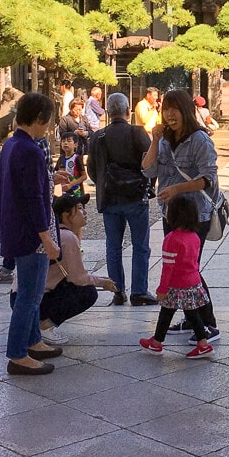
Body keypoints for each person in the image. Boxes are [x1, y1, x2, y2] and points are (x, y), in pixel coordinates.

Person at [142, 88, 221, 339]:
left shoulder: (200, 139)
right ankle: (192, 320)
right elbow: (147, 170)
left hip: (196, 214)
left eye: (175, 109)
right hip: (171, 214)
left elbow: (207, 179)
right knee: (179, 269)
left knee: (190, 269)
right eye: (166, 109)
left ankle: (208, 324)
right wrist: (154, 140)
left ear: (186, 111)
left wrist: (177, 188)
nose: (169, 114)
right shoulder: (164, 139)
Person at [0, 92, 63, 376]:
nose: (48, 127)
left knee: (30, 293)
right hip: (31, 234)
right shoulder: (32, 150)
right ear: (40, 119)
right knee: (30, 295)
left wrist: (49, 178)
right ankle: (18, 354)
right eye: (47, 122)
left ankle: (33, 340)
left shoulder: (11, 144)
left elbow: (23, 186)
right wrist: (46, 237)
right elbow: (33, 198)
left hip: (16, 229)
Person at [87, 92, 156, 307]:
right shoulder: (138, 133)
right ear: (128, 111)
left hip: (109, 198)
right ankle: (139, 291)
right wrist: (147, 186)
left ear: (108, 112)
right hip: (135, 196)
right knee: (140, 245)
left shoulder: (98, 137)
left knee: (113, 246)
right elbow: (151, 164)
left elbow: (92, 170)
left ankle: (117, 289)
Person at [139, 195, 215, 358]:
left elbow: (168, 268)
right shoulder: (194, 236)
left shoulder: (171, 239)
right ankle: (201, 343)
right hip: (193, 280)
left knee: (167, 312)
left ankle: (158, 342)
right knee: (191, 313)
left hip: (176, 284)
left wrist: (162, 288)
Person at [37, 193, 117, 344]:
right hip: (38, 299)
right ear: (66, 215)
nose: (85, 212)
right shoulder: (67, 237)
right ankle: (44, 326)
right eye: (80, 208)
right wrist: (102, 282)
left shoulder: (57, 234)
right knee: (87, 293)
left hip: (25, 297)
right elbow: (78, 278)